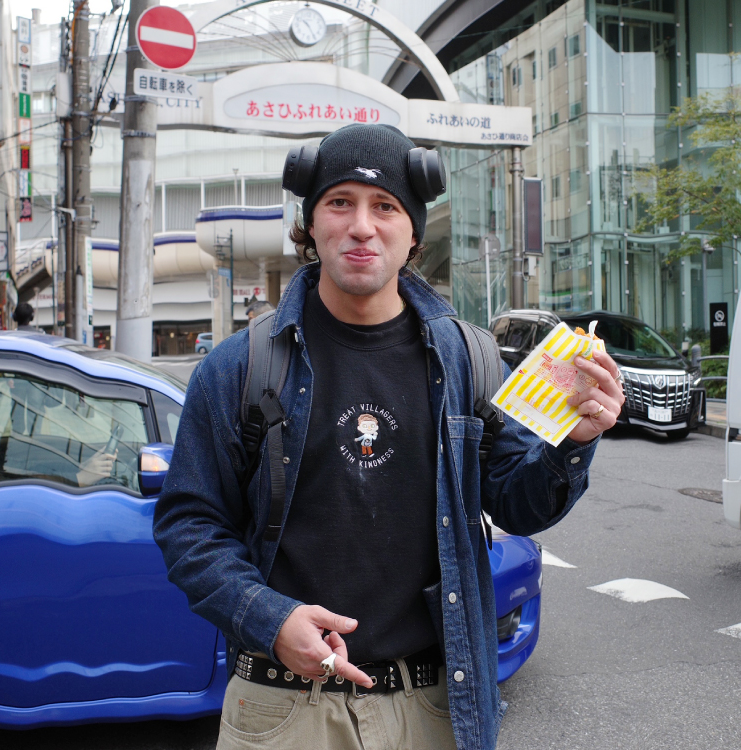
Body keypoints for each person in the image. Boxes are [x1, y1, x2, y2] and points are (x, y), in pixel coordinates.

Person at [153, 124, 625, 750]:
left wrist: (574, 441)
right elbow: (189, 525)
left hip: (433, 705)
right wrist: (271, 619)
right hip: (283, 705)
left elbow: (519, 504)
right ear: (311, 222)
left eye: (385, 207)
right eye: (339, 202)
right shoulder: (239, 368)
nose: (362, 226)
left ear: (413, 233)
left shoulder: (469, 359)